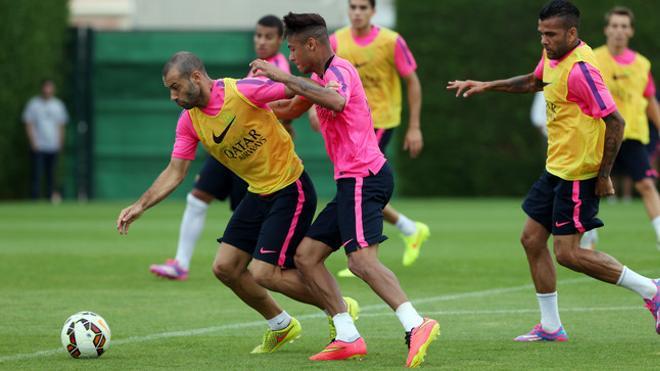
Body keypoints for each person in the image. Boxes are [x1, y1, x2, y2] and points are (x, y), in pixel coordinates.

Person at [447, 0, 659, 341]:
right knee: (531, 239)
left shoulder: (582, 70)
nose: (544, 40)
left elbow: (616, 121)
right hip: (556, 168)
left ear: (571, 33)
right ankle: (550, 326)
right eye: (541, 33)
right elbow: (534, 81)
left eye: (551, 34)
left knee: (569, 253)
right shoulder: (553, 56)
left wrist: (603, 175)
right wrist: (487, 84)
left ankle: (651, 291)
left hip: (580, 174)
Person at [117, 51, 345, 354]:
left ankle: (338, 308)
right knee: (225, 267)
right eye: (169, 90)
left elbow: (295, 87)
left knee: (265, 272)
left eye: (175, 87)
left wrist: (332, 90)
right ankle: (281, 325)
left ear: (196, 77)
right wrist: (140, 206)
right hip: (258, 192)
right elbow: (175, 171)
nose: (172, 96)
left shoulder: (243, 90)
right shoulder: (189, 121)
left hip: (292, 187)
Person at [251, 12, 439, 367]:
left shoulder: (338, 72)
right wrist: (248, 105)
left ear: (311, 44)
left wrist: (281, 75)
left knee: (361, 262)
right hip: (353, 181)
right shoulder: (319, 77)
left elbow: (334, 100)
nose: (290, 56)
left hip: (362, 177)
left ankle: (416, 324)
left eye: (292, 49)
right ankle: (347, 336)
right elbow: (291, 106)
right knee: (306, 256)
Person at [149, 15, 291, 280]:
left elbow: (284, 105)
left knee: (253, 221)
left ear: (280, 40)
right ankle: (181, 262)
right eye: (258, 35)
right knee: (197, 197)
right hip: (228, 148)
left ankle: (284, 261)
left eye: (268, 36)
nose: (261, 41)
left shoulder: (279, 67)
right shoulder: (257, 67)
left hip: (255, 153)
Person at [326, 0, 429, 274]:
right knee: (353, 187)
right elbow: (324, 82)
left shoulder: (391, 41)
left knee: (360, 184)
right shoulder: (337, 41)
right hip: (349, 123)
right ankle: (408, 228)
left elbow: (412, 81)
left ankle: (363, 253)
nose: (357, 12)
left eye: (363, 7)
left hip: (380, 120)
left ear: (373, 11)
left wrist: (414, 126)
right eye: (353, 7)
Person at [593, 6, 660, 250]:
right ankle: (588, 239)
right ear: (606, 30)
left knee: (646, 185)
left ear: (630, 31)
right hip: (599, 135)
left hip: (631, 136)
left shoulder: (642, 64)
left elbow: (650, 99)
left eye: (624, 26)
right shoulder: (592, 58)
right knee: (591, 187)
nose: (619, 31)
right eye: (614, 26)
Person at [22, 79, 68, 202]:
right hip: (39, 146)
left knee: (52, 175)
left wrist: (60, 142)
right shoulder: (34, 104)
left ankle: (50, 198)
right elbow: (29, 124)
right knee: (36, 175)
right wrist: (33, 142)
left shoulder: (58, 105)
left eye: (50, 87)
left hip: (53, 146)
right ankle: (34, 199)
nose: (47, 90)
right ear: (42, 88)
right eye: (45, 87)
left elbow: (61, 125)